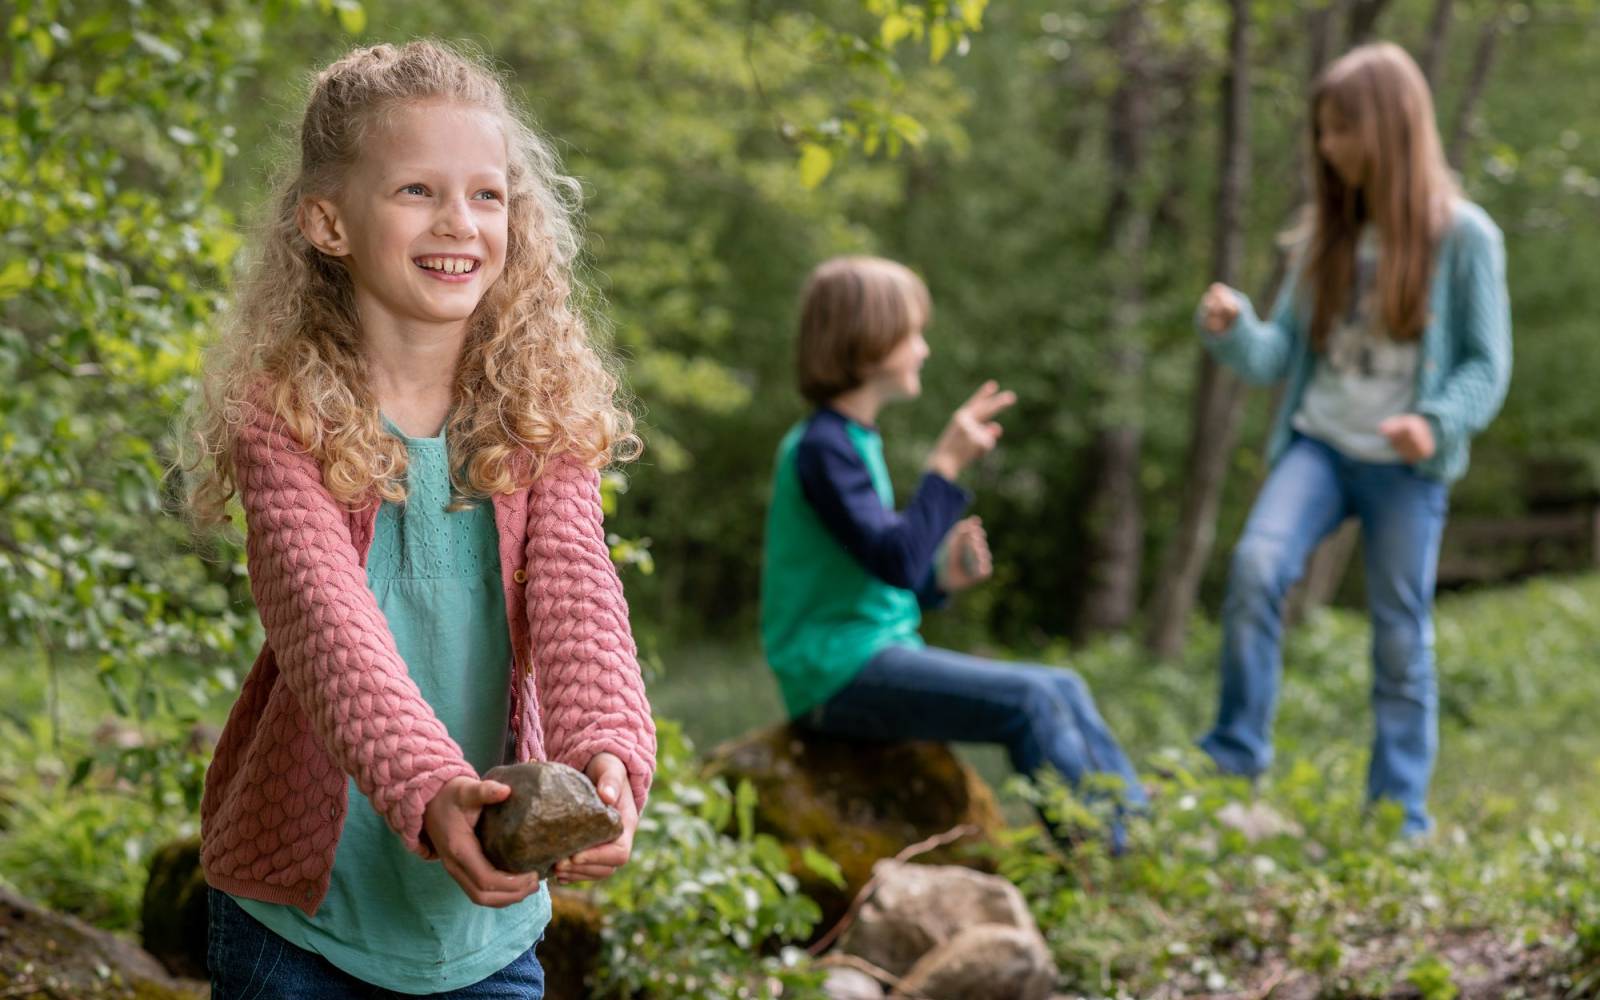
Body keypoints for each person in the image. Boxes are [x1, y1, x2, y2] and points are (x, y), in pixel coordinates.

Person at [180, 41, 654, 998]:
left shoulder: (538, 407)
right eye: (415, 192)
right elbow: (327, 631)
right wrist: (432, 789)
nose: (460, 223)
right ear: (327, 221)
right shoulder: (280, 415)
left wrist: (604, 748)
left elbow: (576, 592)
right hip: (300, 927)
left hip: (482, 931)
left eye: (487, 195)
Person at [1195, 42, 1511, 837]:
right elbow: (1277, 357)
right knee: (1255, 568)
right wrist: (1235, 329)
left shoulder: (1465, 238)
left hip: (1406, 468)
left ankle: (1398, 813)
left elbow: (1488, 363)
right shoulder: (1324, 241)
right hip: (1320, 447)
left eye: (1342, 130)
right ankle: (1234, 764)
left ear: (1391, 126)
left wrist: (1434, 423)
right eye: (1322, 132)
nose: (1329, 147)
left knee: (1401, 636)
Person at [759, 255, 1147, 837]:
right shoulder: (822, 447)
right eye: (912, 333)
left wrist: (939, 578)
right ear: (867, 343)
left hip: (870, 656)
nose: (923, 349)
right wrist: (944, 467)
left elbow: (883, 566)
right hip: (834, 674)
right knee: (1032, 700)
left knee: (1064, 685)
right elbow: (893, 557)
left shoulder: (848, 441)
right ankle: (1107, 854)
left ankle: (1136, 832)